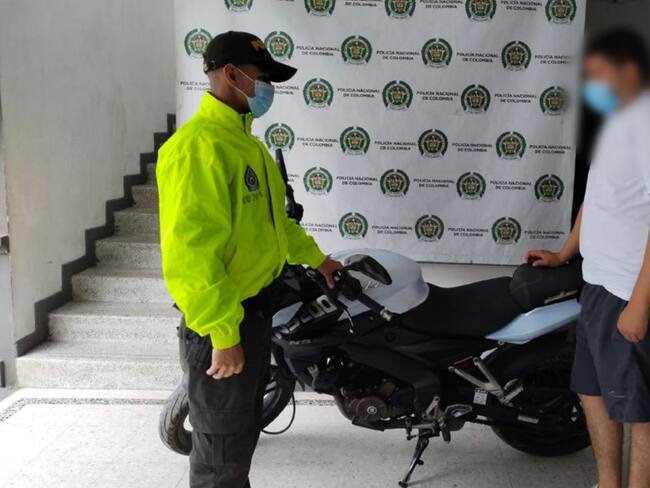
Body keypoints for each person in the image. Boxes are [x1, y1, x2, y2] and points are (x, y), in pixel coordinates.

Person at [156, 31, 342, 488]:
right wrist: (223, 332)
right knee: (220, 457)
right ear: (231, 74)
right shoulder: (197, 149)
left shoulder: (248, 145)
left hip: (253, 315)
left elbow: (277, 226)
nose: (267, 89)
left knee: (238, 442)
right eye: (262, 77)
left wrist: (318, 260)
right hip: (223, 325)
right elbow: (191, 257)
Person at [527, 29, 650, 488]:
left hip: (628, 289)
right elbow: (595, 200)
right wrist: (565, 252)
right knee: (592, 391)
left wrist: (640, 303)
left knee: (638, 409)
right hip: (598, 284)